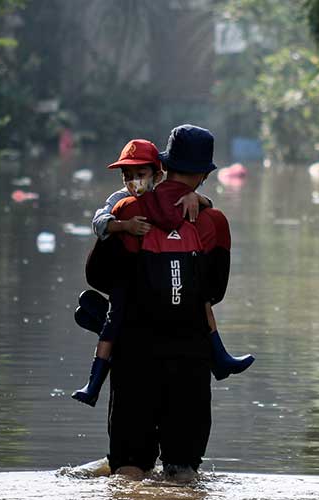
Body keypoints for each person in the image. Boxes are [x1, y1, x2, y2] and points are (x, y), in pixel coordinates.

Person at [85, 124, 238, 477]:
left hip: (134, 357)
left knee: (128, 470)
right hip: (191, 361)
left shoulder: (124, 211)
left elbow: (96, 277)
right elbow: (214, 292)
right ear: (202, 174)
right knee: (183, 473)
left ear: (163, 168)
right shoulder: (213, 220)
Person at [72, 138, 253, 407]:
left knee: (201, 302)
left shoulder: (172, 200)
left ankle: (220, 356)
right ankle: (94, 382)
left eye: (140, 175)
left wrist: (195, 197)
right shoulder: (122, 202)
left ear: (159, 174)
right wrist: (123, 226)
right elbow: (100, 222)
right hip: (143, 298)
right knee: (113, 321)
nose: (133, 182)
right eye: (127, 176)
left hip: (170, 309)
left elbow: (95, 273)